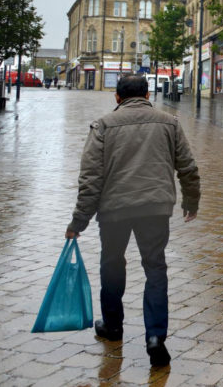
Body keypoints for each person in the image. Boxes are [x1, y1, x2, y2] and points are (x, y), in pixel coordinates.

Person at [65, 74, 200, 367]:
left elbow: (90, 180)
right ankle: (155, 337)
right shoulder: (170, 123)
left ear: (117, 97)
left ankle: (113, 326)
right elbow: (188, 167)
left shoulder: (102, 126)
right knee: (155, 267)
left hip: (115, 210)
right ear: (148, 94)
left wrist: (78, 222)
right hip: (155, 207)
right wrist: (191, 201)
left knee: (112, 262)